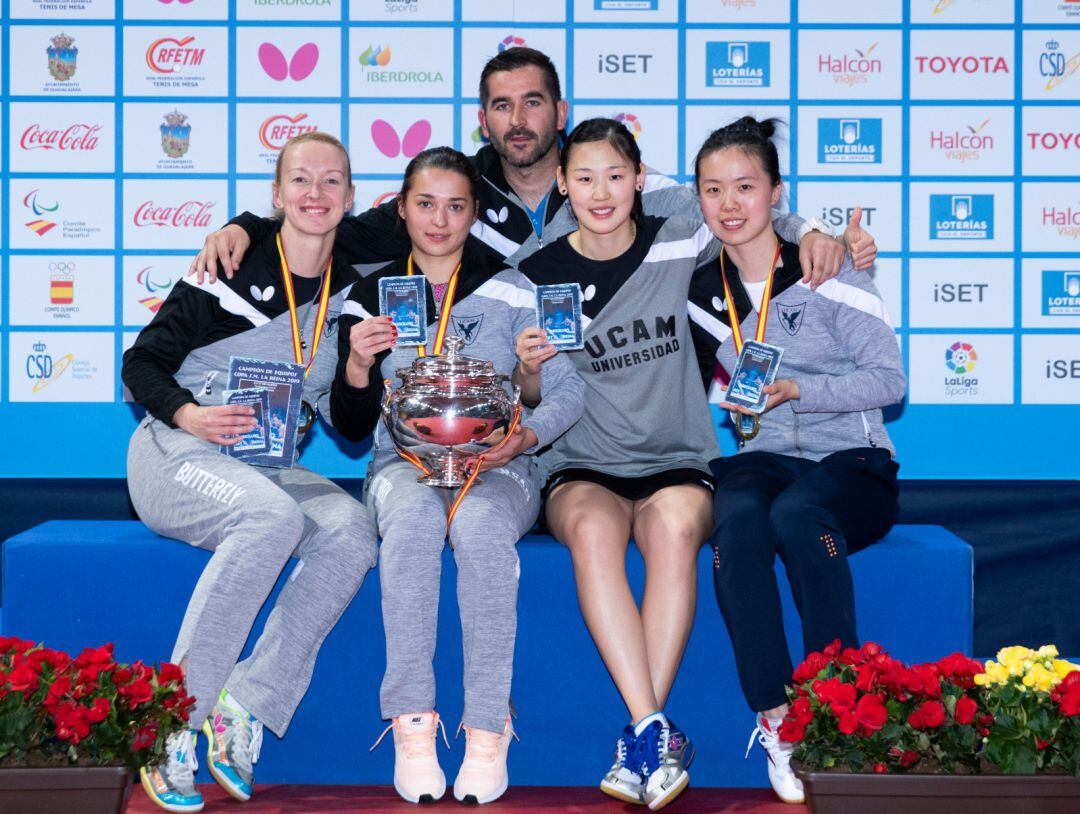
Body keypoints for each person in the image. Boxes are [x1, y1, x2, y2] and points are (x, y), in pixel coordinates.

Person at [122, 132, 379, 814]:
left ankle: (245, 703)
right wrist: (188, 415)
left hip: (266, 465)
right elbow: (140, 363)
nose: (315, 194)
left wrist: (358, 369)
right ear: (276, 195)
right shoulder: (227, 267)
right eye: (301, 180)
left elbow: (351, 428)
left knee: (353, 531)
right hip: (176, 454)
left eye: (331, 183)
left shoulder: (351, 289)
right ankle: (172, 723)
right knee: (272, 518)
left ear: (350, 199)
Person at [329, 147, 585, 805]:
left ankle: (486, 729)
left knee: (477, 528)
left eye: (456, 205)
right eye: (424, 203)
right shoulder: (367, 295)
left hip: (502, 467)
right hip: (402, 467)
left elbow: (566, 393)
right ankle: (413, 724)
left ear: (475, 212)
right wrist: (356, 368)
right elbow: (353, 427)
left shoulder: (514, 289)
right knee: (413, 525)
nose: (439, 220)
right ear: (401, 207)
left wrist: (527, 433)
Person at [189, 47, 874, 288]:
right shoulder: (450, 193)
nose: (518, 121)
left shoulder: (611, 181)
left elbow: (726, 208)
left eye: (532, 103)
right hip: (495, 397)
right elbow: (333, 225)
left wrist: (810, 230)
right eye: (501, 106)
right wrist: (253, 221)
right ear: (483, 119)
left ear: (561, 110)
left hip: (598, 392)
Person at [514, 116, 740, 810]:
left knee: (672, 534)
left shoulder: (677, 240)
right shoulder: (536, 271)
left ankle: (644, 733)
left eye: (616, 175)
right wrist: (526, 372)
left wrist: (822, 233)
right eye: (583, 177)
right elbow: (529, 400)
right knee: (590, 535)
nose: (601, 191)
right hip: (582, 461)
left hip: (677, 455)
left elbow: (749, 216)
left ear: (641, 180)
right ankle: (653, 732)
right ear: (562, 184)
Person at [687, 117, 906, 805]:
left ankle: (836, 712)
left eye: (745, 187)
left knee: (798, 513)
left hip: (853, 460)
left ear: (776, 194)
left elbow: (890, 382)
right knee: (740, 522)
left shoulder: (827, 268)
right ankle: (779, 718)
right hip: (767, 456)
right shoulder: (702, 292)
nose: (729, 204)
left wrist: (799, 392)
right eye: (713, 189)